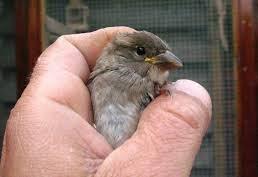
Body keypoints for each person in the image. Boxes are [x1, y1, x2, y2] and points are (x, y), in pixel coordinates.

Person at [0, 27, 212, 177]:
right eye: (141, 52)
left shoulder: (156, 86)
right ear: (118, 54)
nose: (162, 60)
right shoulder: (98, 80)